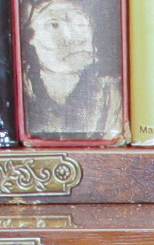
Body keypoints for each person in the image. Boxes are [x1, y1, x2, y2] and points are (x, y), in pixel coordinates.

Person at [22, 0, 123, 141]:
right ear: (29, 37)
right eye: (54, 25)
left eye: (80, 23)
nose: (72, 38)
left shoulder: (113, 92)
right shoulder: (18, 90)